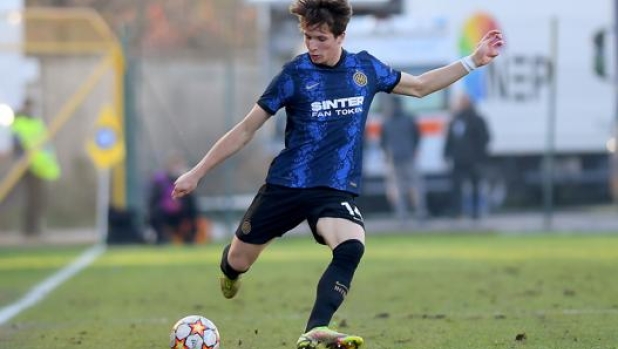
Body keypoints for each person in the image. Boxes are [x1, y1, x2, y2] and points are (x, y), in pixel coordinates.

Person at [172, 1, 503, 348]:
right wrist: (197, 173)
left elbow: (420, 86)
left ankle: (315, 330)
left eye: (320, 38)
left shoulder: (365, 69)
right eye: (307, 37)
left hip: (333, 190)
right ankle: (230, 271)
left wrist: (473, 61)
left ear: (341, 36)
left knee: (351, 246)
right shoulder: (294, 75)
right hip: (286, 185)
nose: (312, 46)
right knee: (238, 260)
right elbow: (245, 129)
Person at [10, 98, 61, 238]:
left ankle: (36, 228)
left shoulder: (38, 123)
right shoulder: (19, 123)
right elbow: (17, 144)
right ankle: (29, 230)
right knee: (29, 198)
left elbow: (45, 144)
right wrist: (20, 161)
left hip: (40, 166)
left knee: (39, 199)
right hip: (26, 166)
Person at [379, 95, 427, 223]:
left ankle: (401, 216)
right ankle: (420, 213)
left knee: (398, 188)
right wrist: (413, 149)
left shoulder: (387, 121)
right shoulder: (409, 119)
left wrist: (387, 156)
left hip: (394, 159)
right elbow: (417, 137)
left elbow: (383, 142)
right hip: (409, 156)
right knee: (415, 186)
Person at [443, 93, 491, 220]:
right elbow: (450, 140)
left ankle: (475, 213)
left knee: (475, 186)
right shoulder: (455, 120)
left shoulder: (477, 119)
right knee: (456, 187)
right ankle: (457, 212)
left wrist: (479, 155)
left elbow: (484, 138)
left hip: (473, 160)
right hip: (458, 160)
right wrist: (447, 154)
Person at [148, 152, 199, 244]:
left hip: (181, 210)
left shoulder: (185, 179)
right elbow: (153, 199)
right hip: (164, 211)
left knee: (191, 207)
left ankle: (190, 238)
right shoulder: (160, 180)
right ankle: (161, 239)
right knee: (156, 212)